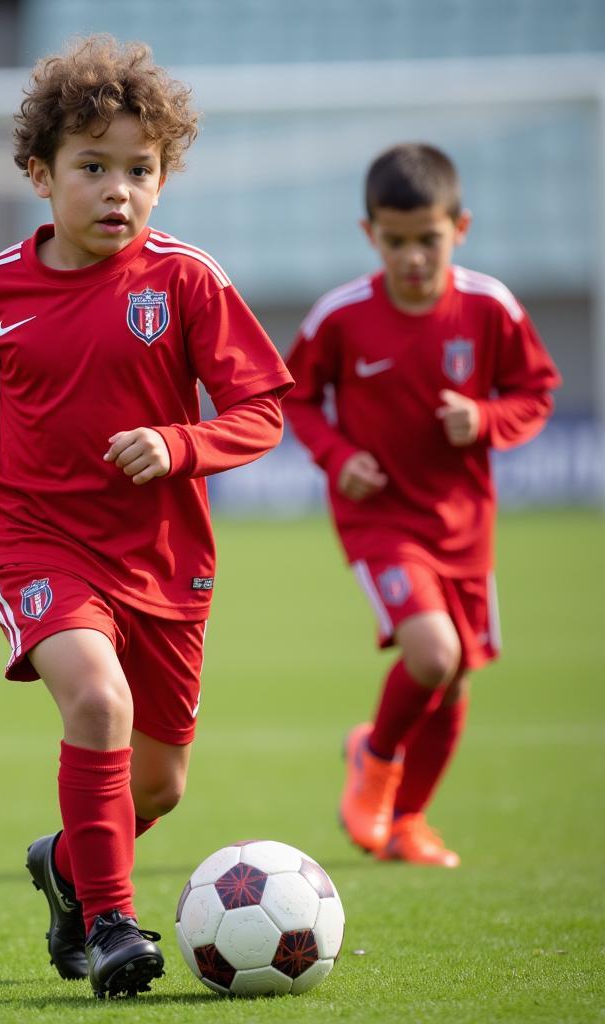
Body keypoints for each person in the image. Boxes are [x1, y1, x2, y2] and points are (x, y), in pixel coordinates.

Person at [0, 35, 293, 998]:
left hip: (163, 558)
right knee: (99, 703)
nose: (117, 189)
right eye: (92, 168)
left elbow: (261, 410)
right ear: (41, 176)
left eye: (140, 169)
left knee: (158, 785)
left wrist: (179, 444)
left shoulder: (186, 282)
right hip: (30, 534)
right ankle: (112, 923)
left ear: (164, 178)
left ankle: (69, 867)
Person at [283, 143, 561, 868]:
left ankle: (409, 821)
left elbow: (535, 392)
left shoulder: (489, 306)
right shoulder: (341, 317)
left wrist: (487, 419)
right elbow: (296, 397)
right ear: (368, 232)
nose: (411, 257)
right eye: (395, 240)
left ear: (459, 228)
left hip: (463, 522)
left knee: (456, 674)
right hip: (380, 520)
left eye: (427, 240)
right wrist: (339, 458)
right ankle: (374, 763)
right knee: (433, 655)